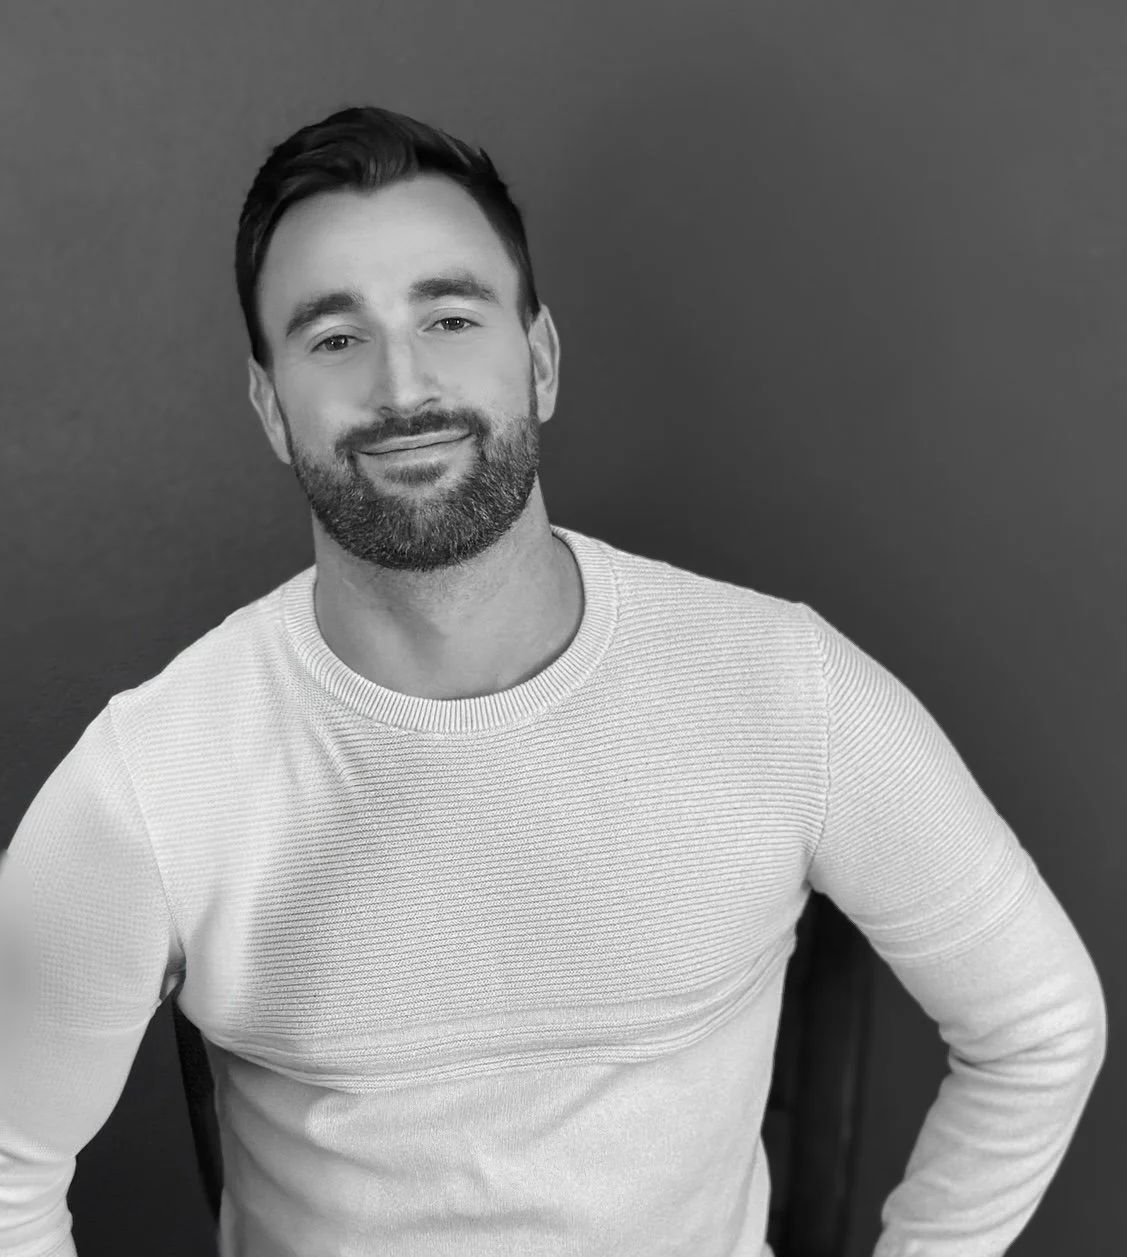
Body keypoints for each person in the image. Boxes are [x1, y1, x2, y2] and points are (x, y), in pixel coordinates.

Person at [0, 105, 1106, 1257]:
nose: (401, 381)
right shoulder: (150, 783)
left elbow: (1038, 1025)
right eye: (334, 338)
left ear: (537, 359)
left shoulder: (786, 689)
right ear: (273, 409)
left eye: (448, 314)